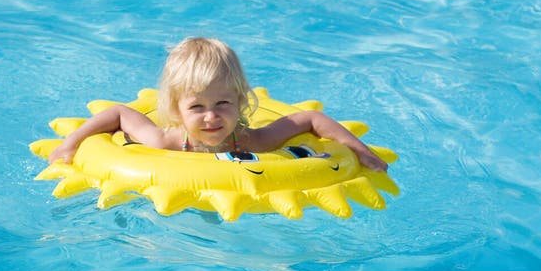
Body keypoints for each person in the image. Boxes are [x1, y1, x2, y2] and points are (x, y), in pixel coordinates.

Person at [48, 37, 388, 172]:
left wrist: (360, 151)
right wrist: (70, 144)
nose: (211, 117)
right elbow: (119, 114)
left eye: (223, 103)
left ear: (240, 102)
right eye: (196, 107)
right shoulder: (165, 141)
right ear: (177, 109)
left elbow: (310, 119)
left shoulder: (251, 140)